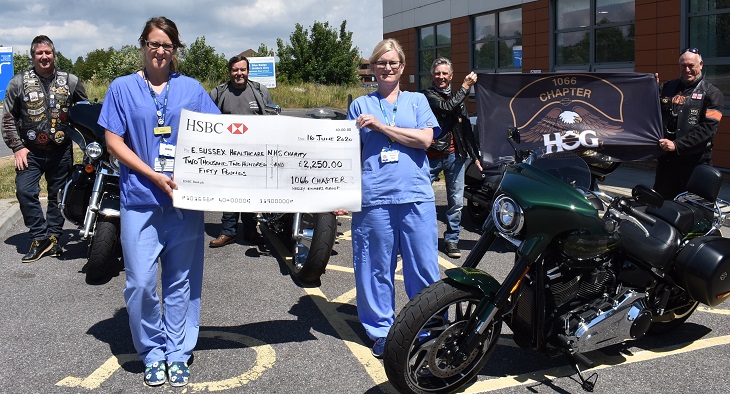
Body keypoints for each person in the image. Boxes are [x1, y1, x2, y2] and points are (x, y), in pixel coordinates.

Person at [98, 16, 220, 387]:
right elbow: (113, 140)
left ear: (175, 49)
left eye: (167, 45)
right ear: (143, 45)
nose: (160, 51)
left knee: (181, 281)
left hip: (183, 202)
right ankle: (152, 350)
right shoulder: (122, 87)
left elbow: (218, 136)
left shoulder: (192, 89)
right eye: (154, 44)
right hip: (140, 199)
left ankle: (178, 352)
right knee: (139, 281)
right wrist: (151, 175)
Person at [342, 38, 441, 358]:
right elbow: (345, 153)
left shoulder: (417, 101)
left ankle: (428, 327)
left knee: (424, 267)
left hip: (415, 197)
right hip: (374, 198)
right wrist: (338, 192)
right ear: (373, 68)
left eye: (393, 63)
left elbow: (425, 139)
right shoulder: (359, 105)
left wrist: (382, 128)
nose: (387, 68)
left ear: (402, 68)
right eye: (381, 63)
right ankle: (381, 331)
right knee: (373, 268)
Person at [2, 35, 88, 263]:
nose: (44, 57)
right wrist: (17, 147)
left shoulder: (70, 81)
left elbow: (85, 112)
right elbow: (8, 118)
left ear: (54, 54)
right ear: (33, 56)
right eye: (39, 53)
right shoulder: (18, 82)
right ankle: (39, 236)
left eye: (47, 52)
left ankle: (53, 238)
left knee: (57, 197)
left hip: (61, 151)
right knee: (24, 191)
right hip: (30, 151)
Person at [208, 53, 272, 247]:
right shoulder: (218, 93)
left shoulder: (260, 91)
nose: (239, 73)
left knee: (252, 192)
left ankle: (251, 231)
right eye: (235, 70)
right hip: (227, 154)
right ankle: (228, 232)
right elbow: (207, 122)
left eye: (242, 69)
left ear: (248, 71)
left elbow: (272, 121)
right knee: (229, 191)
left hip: (255, 153)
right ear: (230, 71)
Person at [422, 57, 481, 258]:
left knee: (456, 201)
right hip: (430, 156)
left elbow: (466, 130)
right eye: (437, 73)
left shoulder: (459, 99)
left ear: (451, 75)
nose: (441, 77)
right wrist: (465, 87)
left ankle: (452, 240)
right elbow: (446, 107)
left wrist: (475, 156)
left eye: (445, 73)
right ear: (432, 75)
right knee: (421, 199)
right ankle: (421, 240)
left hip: (455, 156)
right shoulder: (427, 96)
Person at [654, 48, 724, 199]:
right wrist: (649, 88)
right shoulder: (667, 87)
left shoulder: (712, 94)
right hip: (667, 163)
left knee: (695, 211)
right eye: (683, 65)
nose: (687, 70)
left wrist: (677, 145)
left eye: (691, 65)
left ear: (701, 64)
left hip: (695, 164)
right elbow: (650, 112)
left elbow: (708, 130)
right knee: (661, 208)